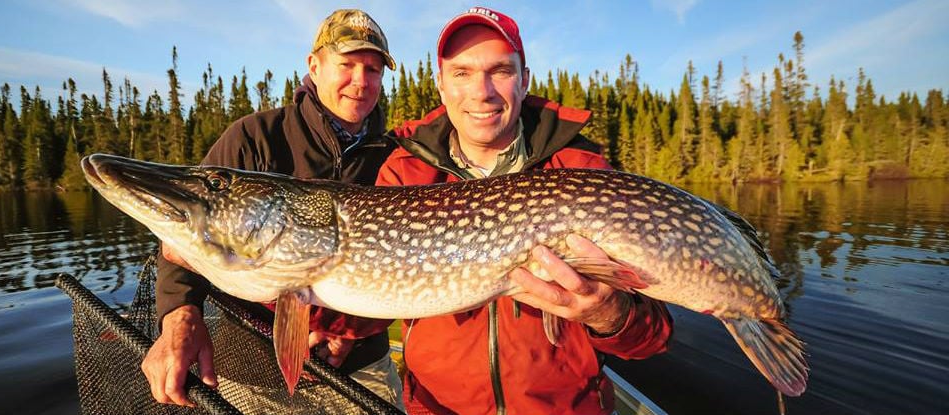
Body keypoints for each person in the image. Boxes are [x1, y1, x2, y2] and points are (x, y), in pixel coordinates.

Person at [377, 7, 674, 415]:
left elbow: (652, 336)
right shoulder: (405, 173)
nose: (482, 92)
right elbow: (368, 288)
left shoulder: (580, 171)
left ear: (524, 80)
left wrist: (609, 313)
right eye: (462, 73)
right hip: (437, 407)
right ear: (442, 86)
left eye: (500, 70)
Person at [142, 9, 403, 410]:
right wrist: (178, 314)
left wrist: (352, 330)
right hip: (254, 368)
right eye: (346, 64)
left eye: (372, 69)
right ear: (314, 66)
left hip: (362, 367)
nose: (360, 82)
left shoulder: (393, 157)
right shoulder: (254, 137)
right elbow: (189, 232)